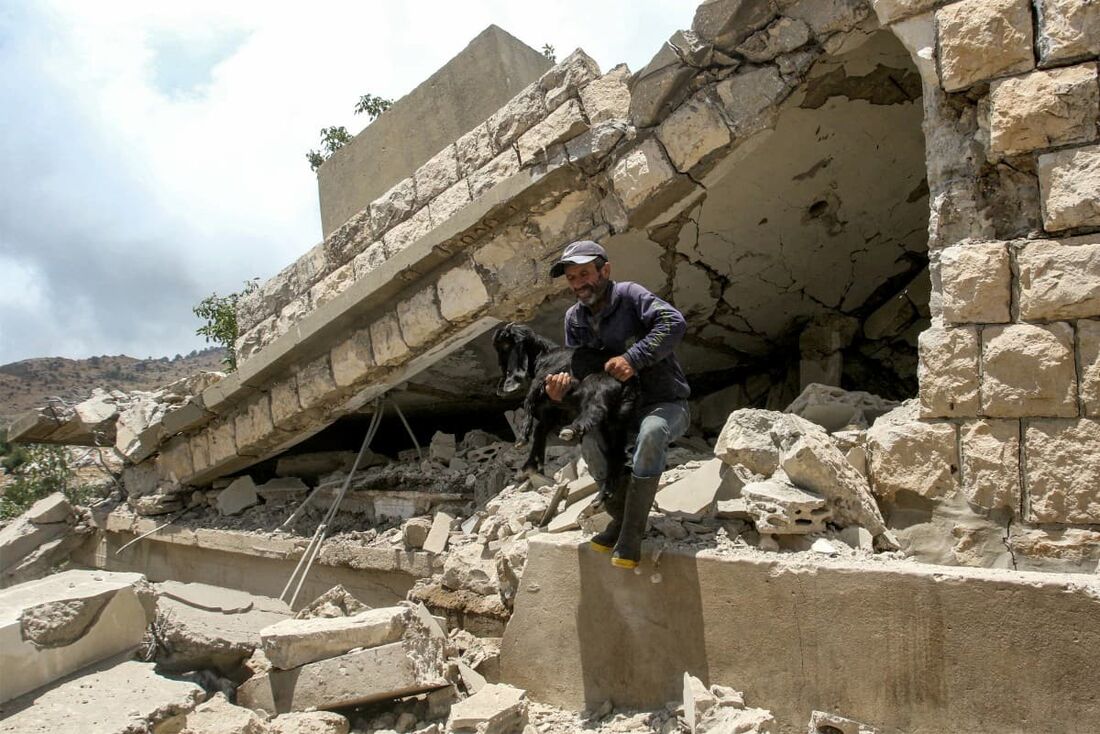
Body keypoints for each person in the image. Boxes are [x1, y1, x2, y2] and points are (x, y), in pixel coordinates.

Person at [545, 239, 690, 569]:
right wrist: (562, 393)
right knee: (592, 440)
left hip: (665, 404)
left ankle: (631, 534)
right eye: (572, 278)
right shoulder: (574, 320)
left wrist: (634, 358)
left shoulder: (630, 295)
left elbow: (673, 322)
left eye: (585, 273)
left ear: (605, 270)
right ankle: (622, 519)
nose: (579, 283)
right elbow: (584, 379)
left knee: (652, 432)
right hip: (619, 413)